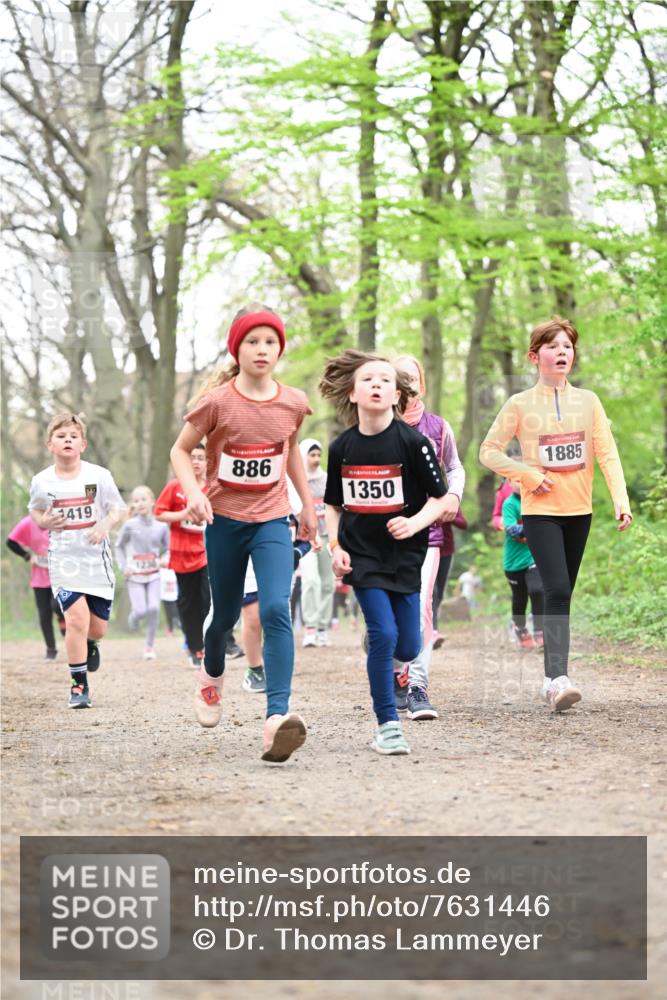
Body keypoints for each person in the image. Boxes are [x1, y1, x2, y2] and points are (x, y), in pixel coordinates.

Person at [170, 305, 317, 763]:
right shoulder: (218, 402)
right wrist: (194, 492)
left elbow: (289, 451)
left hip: (272, 519)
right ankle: (211, 678)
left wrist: (307, 506)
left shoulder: (292, 402)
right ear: (238, 348)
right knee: (223, 617)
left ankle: (277, 717)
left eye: (270, 342)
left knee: (275, 608)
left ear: (280, 350)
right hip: (225, 521)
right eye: (252, 341)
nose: (262, 350)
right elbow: (180, 450)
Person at [480, 316, 632, 711]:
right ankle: (557, 678)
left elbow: (606, 451)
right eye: (553, 346)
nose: (562, 352)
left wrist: (620, 497)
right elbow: (489, 450)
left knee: (563, 591)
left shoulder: (589, 401)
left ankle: (552, 677)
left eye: (567, 346)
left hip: (579, 511)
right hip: (540, 512)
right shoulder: (520, 404)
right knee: (557, 588)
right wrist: (527, 474)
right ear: (535, 356)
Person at [320, 350, 451, 756]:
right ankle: (388, 724)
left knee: (409, 645)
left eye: (385, 380)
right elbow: (333, 505)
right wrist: (336, 546)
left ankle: (394, 656)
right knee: (383, 636)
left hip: (406, 556)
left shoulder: (414, 444)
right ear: (353, 393)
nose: (376, 385)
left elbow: (440, 498)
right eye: (368, 380)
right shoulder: (342, 447)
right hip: (363, 557)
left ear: (398, 395)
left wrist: (414, 523)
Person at [28, 413, 125, 708]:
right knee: (76, 620)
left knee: (96, 628)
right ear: (50, 445)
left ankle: (91, 644)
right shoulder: (41, 480)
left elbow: (117, 509)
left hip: (96, 561)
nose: (67, 440)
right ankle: (78, 685)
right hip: (64, 560)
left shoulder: (98, 475)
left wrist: (103, 526)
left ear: (82, 444)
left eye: (72, 436)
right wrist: (45, 521)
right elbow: (35, 510)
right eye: (61, 436)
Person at [393, 355, 465, 720]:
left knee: (421, 605)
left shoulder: (439, 427)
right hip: (384, 535)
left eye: (413, 376)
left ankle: (418, 686)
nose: (408, 383)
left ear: (421, 383)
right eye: (400, 377)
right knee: (391, 610)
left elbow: (455, 467)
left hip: (429, 532)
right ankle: (395, 671)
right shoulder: (377, 425)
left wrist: (453, 496)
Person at [155, 445, 242, 666]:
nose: (196, 462)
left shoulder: (214, 487)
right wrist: (184, 514)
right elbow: (159, 513)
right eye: (192, 457)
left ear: (207, 462)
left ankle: (224, 641)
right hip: (182, 553)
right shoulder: (175, 486)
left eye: (201, 458)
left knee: (211, 597)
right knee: (188, 603)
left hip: (208, 552)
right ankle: (195, 647)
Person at [115, 486, 169, 660]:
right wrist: (124, 567)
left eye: (143, 499)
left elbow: (169, 548)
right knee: (140, 611)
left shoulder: (161, 526)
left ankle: (149, 646)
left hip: (153, 573)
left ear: (152, 501)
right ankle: (134, 618)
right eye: (136, 501)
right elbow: (119, 547)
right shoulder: (130, 525)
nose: (140, 503)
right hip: (135, 575)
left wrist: (164, 558)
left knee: (153, 608)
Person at [6, 516, 66, 659]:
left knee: (57, 606)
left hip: (62, 574)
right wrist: (27, 556)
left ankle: (70, 637)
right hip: (40, 576)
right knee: (44, 613)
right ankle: (51, 649)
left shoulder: (61, 518)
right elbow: (10, 542)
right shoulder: (28, 522)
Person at [298, 438, 335, 648]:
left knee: (327, 583)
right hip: (306, 538)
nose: (315, 459)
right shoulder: (299, 481)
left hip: (326, 536)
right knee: (311, 580)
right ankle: (310, 627)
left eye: (318, 455)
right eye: (311, 455)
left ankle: (322, 628)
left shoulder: (327, 479)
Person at [501, 483, 545, 650]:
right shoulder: (510, 504)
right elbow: (512, 530)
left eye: (523, 480)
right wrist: (536, 526)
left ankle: (540, 630)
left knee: (537, 590)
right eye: (516, 480)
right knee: (519, 600)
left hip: (533, 557)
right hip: (513, 562)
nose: (520, 484)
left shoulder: (536, 500)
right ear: (510, 482)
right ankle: (520, 629)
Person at [431, 508, 468, 648]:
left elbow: (463, 524)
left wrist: (448, 516)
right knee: (431, 591)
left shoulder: (450, 500)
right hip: (426, 550)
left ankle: (432, 628)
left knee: (439, 592)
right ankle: (432, 631)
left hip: (446, 551)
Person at [160, 567, 181, 636]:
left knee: (175, 612)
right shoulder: (162, 571)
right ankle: (170, 630)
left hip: (174, 596)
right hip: (165, 597)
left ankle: (178, 624)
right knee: (168, 614)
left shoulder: (175, 571)